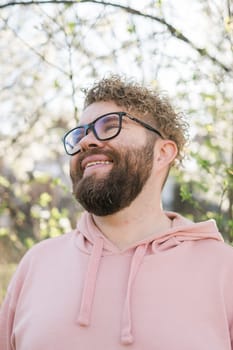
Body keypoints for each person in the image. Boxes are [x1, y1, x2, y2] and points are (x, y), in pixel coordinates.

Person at [0, 75, 233, 350]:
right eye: (80, 133)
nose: (86, 141)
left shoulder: (223, 269)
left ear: (162, 153)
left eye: (110, 125)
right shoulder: (36, 264)